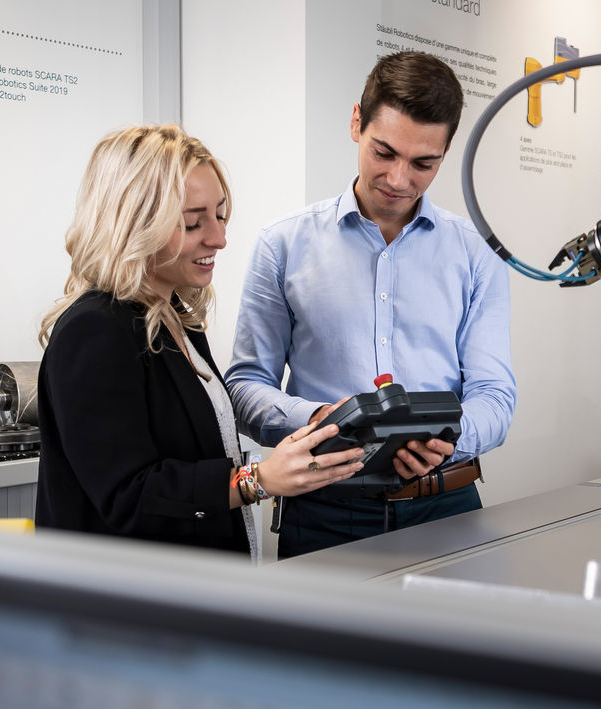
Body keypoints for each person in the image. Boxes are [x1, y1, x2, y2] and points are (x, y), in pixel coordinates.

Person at [226, 51, 516, 558]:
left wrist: (451, 438)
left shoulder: (475, 252)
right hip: (323, 511)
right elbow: (246, 387)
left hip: (445, 506)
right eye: (384, 152)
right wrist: (319, 418)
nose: (400, 180)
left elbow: (495, 394)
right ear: (357, 122)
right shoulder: (284, 244)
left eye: (424, 163)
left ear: (445, 154)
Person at [35, 125, 365, 559]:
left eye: (220, 214)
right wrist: (258, 479)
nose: (218, 238)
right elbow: (129, 496)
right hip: (123, 613)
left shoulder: (176, 321)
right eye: (193, 223)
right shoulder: (95, 329)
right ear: (135, 224)